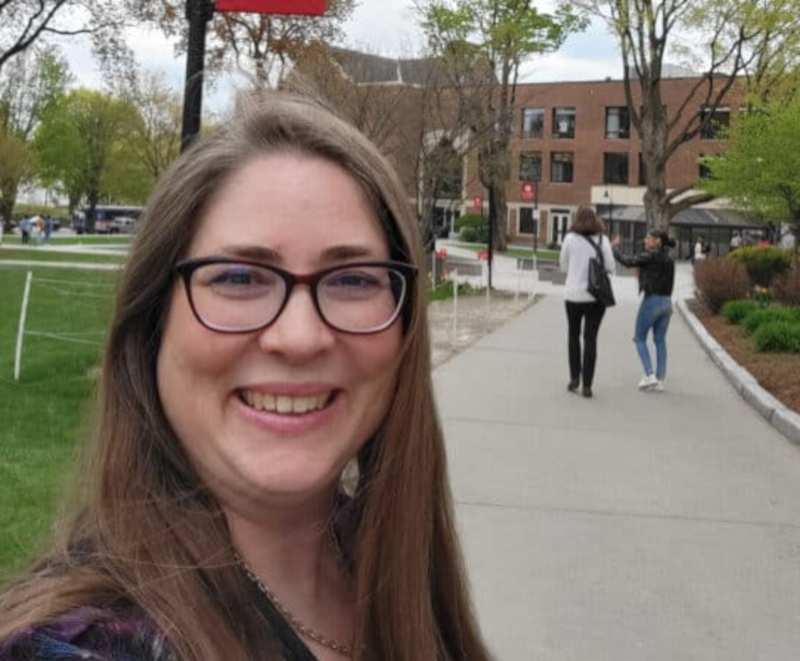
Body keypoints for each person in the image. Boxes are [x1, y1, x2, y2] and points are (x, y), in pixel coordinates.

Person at [0, 93, 494, 661]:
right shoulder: (81, 646)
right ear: (152, 325)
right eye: (238, 277)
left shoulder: (396, 577)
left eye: (353, 280)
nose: (300, 337)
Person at [558, 206, 615, 398]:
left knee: (573, 335)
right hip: (595, 297)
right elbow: (610, 266)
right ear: (595, 219)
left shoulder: (569, 239)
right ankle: (588, 385)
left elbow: (563, 265)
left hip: (573, 295)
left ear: (576, 219)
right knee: (590, 338)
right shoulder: (602, 240)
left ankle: (574, 377)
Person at [611, 230, 676, 392]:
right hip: (667, 302)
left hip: (651, 301)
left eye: (648, 237)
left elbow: (628, 262)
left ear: (657, 241)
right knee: (660, 340)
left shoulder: (650, 255)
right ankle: (660, 380)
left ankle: (649, 374)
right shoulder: (669, 259)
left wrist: (614, 248)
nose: (645, 240)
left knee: (639, 338)